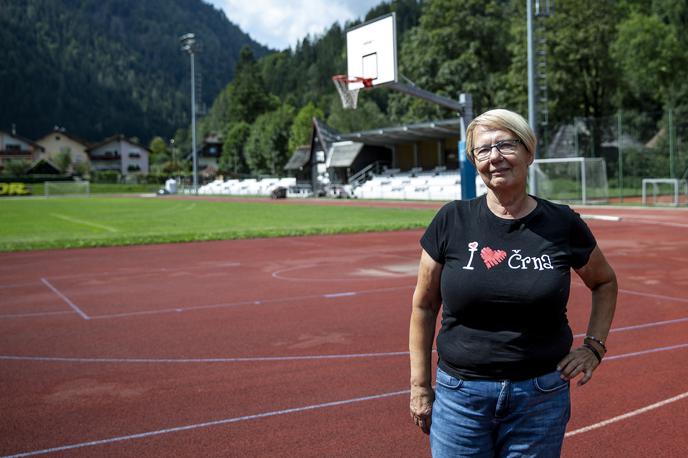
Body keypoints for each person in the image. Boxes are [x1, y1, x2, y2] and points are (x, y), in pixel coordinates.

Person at [408, 108, 617, 457]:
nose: (494, 157)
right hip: (460, 397)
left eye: (506, 144)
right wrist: (419, 386)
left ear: (529, 152)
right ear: (474, 162)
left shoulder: (561, 222)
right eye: (482, 150)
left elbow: (605, 282)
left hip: (540, 398)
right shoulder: (451, 220)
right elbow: (424, 305)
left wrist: (594, 346)